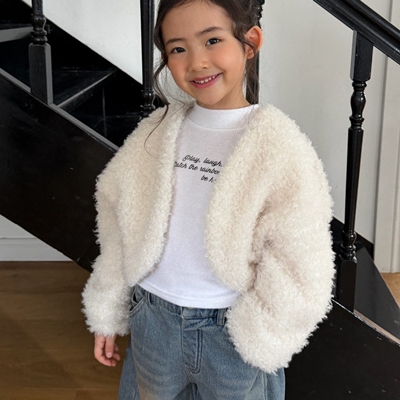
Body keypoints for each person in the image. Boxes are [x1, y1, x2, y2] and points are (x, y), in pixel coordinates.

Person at [82, 0, 335, 398]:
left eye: (212, 40)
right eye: (178, 48)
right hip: (153, 320)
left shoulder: (279, 145)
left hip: (231, 333)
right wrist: (107, 309)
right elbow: (118, 220)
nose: (197, 62)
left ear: (250, 43)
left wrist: (265, 334)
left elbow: (300, 254)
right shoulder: (156, 130)